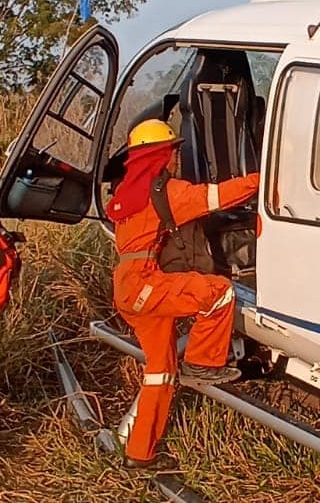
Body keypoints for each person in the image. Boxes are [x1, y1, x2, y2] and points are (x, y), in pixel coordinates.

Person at [107, 118, 259, 471]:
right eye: (173, 152)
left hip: (128, 288)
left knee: (160, 373)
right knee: (219, 293)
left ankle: (139, 454)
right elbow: (217, 197)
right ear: (160, 156)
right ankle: (202, 364)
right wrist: (263, 179)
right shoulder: (166, 191)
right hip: (145, 284)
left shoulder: (126, 194)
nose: (177, 159)